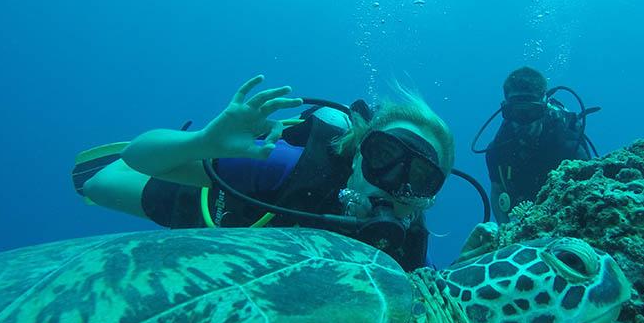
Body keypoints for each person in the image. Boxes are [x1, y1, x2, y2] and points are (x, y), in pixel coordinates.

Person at [72, 74, 456, 271]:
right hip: (226, 212)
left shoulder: (408, 246)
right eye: (383, 156)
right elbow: (142, 159)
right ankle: (185, 141)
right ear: (357, 155)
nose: (391, 184)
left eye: (418, 178)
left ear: (429, 197)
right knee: (97, 183)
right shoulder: (289, 167)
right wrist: (204, 143)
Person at [472, 66, 599, 223]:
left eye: (531, 112)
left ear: (544, 108)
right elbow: (497, 190)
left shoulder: (568, 145)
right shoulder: (497, 151)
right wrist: (504, 232)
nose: (524, 122)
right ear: (507, 110)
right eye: (517, 112)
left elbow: (589, 191)